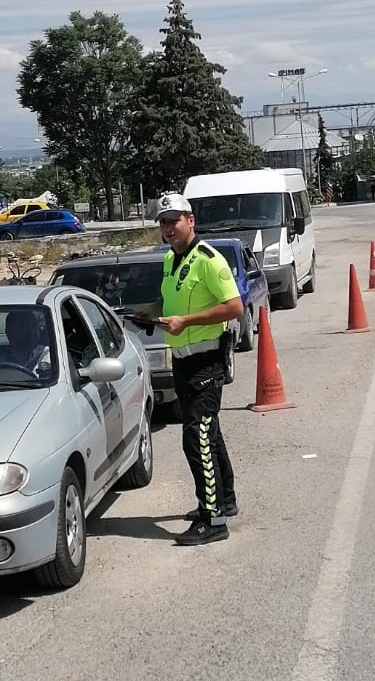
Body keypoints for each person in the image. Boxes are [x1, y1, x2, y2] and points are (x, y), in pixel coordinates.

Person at [140, 192, 242, 546]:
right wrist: (150, 314)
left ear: (191, 220)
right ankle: (223, 501)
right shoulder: (170, 260)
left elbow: (234, 308)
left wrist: (187, 321)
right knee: (208, 433)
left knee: (195, 438)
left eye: (174, 220)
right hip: (181, 360)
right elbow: (172, 302)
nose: (168, 228)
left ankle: (212, 519)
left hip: (206, 361)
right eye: (163, 222)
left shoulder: (209, 260)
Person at [4, 309, 52, 377]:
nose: (31, 332)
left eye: (34, 326)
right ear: (9, 332)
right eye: (23, 327)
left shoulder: (51, 356)